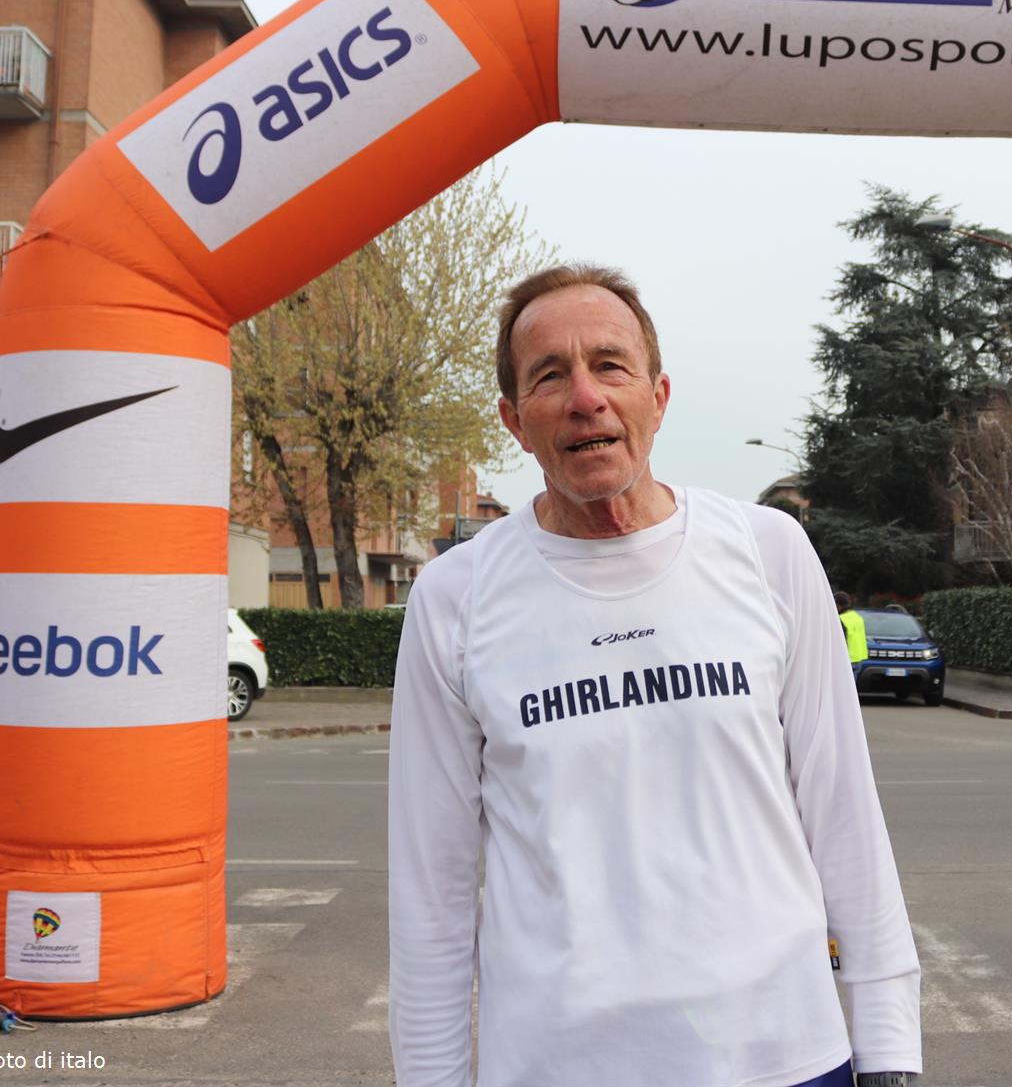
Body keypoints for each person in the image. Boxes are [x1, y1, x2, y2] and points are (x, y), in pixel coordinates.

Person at [389, 264, 922, 1087]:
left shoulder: (767, 552)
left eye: (610, 365)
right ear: (515, 420)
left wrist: (889, 1047)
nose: (586, 398)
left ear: (658, 397)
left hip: (785, 1056)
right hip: (556, 1068)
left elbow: (843, 809)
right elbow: (433, 888)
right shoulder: (454, 597)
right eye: (549, 376)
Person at [836, 592, 869, 669]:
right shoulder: (857, 617)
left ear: (838, 605)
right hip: (858, 658)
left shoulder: (840, 619)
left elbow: (840, 641)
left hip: (846, 660)